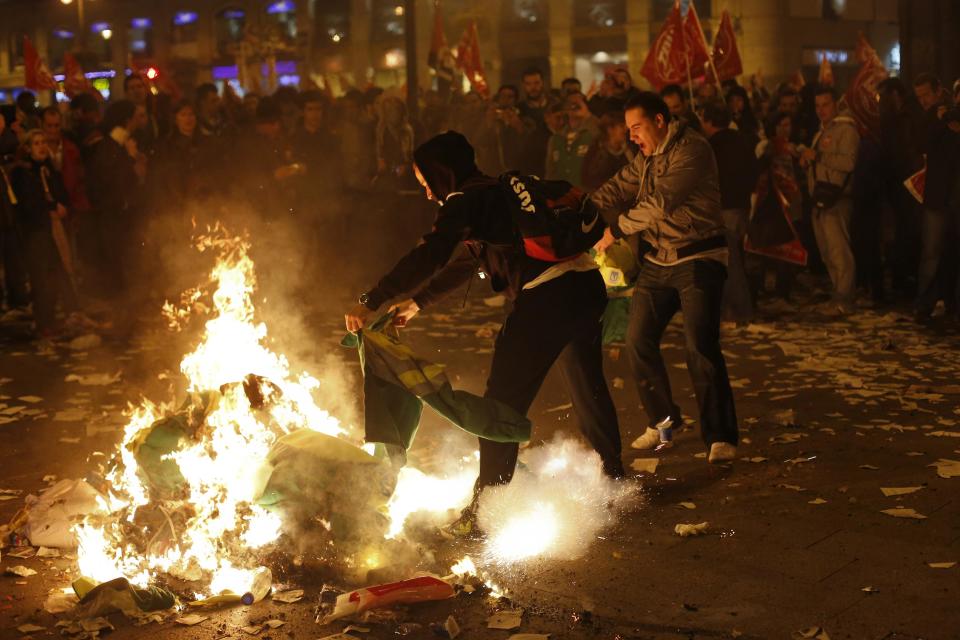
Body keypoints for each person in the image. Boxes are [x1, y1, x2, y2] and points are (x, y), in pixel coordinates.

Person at [345, 131, 624, 533]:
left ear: (443, 175)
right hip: (585, 288)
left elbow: (434, 252)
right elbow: (466, 260)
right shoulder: (495, 193)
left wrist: (373, 298)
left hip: (547, 297)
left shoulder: (466, 200)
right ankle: (613, 476)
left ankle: (487, 509)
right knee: (588, 384)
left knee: (501, 406)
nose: (426, 195)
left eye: (426, 184)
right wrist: (417, 303)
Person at [590, 92, 738, 464]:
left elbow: (660, 204)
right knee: (637, 341)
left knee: (699, 347)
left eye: (636, 128)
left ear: (660, 121)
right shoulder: (645, 159)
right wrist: (579, 206)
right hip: (658, 260)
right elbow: (618, 186)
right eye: (628, 130)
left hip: (698, 255)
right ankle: (664, 421)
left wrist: (614, 231)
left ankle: (720, 436)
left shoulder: (693, 150)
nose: (632, 137)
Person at [10, 130, 76, 337]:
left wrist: (60, 204)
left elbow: (61, 192)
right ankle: (44, 322)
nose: (41, 147)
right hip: (35, 233)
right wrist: (52, 205)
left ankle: (54, 318)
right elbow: (29, 204)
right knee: (41, 278)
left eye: (43, 142)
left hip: (52, 230)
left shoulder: (48, 169)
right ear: (28, 148)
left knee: (55, 274)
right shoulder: (23, 173)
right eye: (36, 143)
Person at [799, 86, 859, 315]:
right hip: (821, 198)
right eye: (817, 106)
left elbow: (849, 163)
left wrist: (819, 156)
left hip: (837, 197)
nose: (821, 110)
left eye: (825, 105)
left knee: (838, 250)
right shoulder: (823, 130)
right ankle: (838, 296)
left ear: (835, 104)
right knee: (827, 251)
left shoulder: (846, 130)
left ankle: (845, 299)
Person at [701, 101, 758, 323]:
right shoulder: (742, 141)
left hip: (721, 209)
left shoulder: (709, 147)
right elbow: (754, 171)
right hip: (741, 207)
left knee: (729, 263)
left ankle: (738, 309)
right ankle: (736, 307)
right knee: (736, 259)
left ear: (708, 121)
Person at [85, 100, 146, 298]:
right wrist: (131, 161)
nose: (141, 120)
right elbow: (110, 181)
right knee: (117, 264)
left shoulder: (123, 144)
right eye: (138, 116)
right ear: (127, 120)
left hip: (123, 214)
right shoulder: (109, 147)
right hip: (113, 215)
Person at [912, 73, 960, 322]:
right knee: (931, 251)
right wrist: (940, 122)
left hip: (954, 192)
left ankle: (951, 301)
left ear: (939, 90)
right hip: (937, 195)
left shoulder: (951, 108)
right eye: (919, 97)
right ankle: (925, 303)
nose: (924, 101)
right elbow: (920, 143)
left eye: (927, 95)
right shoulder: (929, 117)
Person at [545, 92, 597, 188]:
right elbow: (551, 172)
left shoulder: (594, 132)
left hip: (587, 195)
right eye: (570, 103)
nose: (573, 105)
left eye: (578, 102)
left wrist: (586, 114)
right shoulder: (556, 138)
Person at [582, 111, 630, 191]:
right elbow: (588, 180)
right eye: (621, 126)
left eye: (626, 126)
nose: (626, 130)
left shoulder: (629, 150)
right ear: (610, 129)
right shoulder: (596, 152)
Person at [517, 67, 552, 175]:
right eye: (529, 84)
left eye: (536, 83)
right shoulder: (518, 110)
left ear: (542, 83)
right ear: (524, 85)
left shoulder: (554, 105)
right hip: (528, 163)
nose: (533, 87)